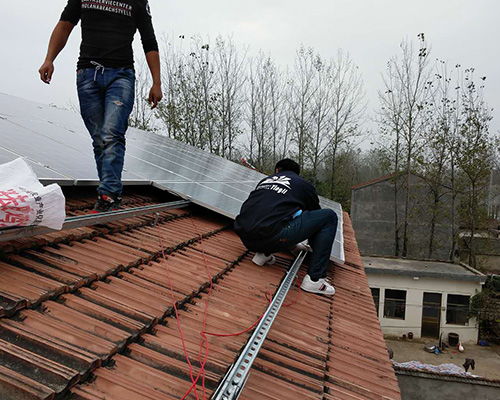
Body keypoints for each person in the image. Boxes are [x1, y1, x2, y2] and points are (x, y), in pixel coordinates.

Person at [39, 0, 162, 212]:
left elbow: (149, 41)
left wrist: (156, 82)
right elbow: (65, 25)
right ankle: (108, 192)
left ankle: (109, 195)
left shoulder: (138, 2)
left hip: (121, 76)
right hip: (87, 74)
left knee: (111, 134)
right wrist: (49, 59)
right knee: (99, 139)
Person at [234, 159, 338, 296]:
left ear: (277, 170)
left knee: (277, 215)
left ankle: (263, 254)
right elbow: (314, 217)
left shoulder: (265, 181)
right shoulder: (303, 185)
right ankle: (315, 279)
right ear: (297, 173)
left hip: (246, 238)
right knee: (328, 217)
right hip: (272, 236)